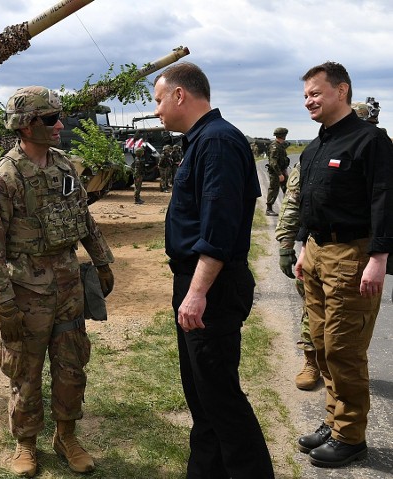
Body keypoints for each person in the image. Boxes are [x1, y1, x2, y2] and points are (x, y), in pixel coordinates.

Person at [0, 86, 115, 477]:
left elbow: (83, 217)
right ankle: (25, 442)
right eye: (50, 119)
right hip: (26, 291)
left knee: (72, 364)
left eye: (59, 117)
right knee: (26, 368)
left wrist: (102, 261)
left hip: (68, 285)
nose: (59, 125)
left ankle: (66, 436)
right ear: (25, 125)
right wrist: (2, 301)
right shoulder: (3, 176)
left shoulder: (65, 166)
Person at [154, 62, 274, 478]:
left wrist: (198, 291)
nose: (156, 111)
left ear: (180, 95)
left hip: (212, 286)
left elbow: (220, 228)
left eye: (158, 100)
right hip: (199, 283)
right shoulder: (201, 140)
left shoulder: (218, 142)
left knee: (220, 398)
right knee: (203, 398)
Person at [294, 62, 393, 468]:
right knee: (320, 344)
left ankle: (351, 436)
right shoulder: (317, 146)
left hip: (352, 255)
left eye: (316, 93)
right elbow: (307, 201)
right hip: (317, 252)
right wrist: (302, 246)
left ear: (342, 91)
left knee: (344, 348)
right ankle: (333, 422)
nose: (309, 101)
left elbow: (385, 201)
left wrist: (379, 258)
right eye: (305, 96)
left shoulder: (370, 141)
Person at [275, 157, 320, 390]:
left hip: (362, 250)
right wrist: (286, 245)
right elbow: (292, 202)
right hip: (316, 245)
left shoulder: (381, 151)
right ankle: (311, 360)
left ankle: (340, 366)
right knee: (312, 306)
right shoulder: (316, 153)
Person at [265, 127, 289, 216]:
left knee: (287, 190)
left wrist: (284, 171)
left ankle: (287, 208)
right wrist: (279, 174)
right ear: (283, 135)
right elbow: (273, 162)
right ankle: (268, 209)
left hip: (282, 171)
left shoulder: (280, 145)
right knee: (274, 189)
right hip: (276, 172)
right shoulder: (275, 146)